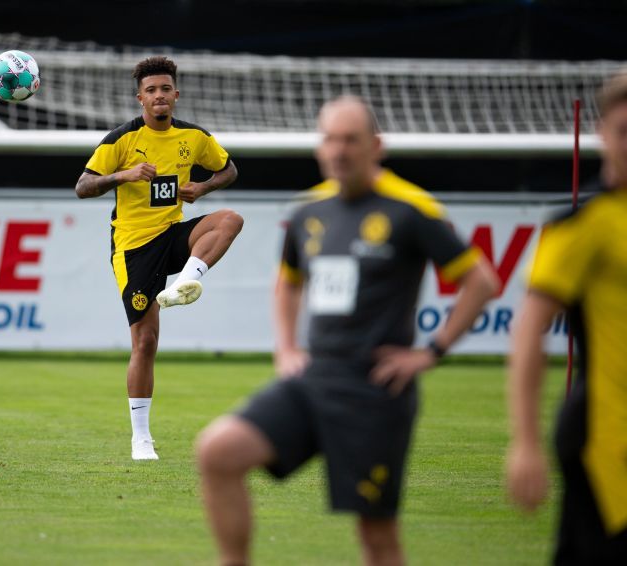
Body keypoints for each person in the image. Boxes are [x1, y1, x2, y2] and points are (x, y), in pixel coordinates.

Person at [196, 95, 500, 565]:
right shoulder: (308, 211)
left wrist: (431, 352)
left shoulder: (410, 209)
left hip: (375, 393)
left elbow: (481, 283)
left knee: (377, 539)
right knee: (217, 452)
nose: (339, 150)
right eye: (330, 139)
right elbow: (287, 283)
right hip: (315, 380)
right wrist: (287, 347)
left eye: (350, 140)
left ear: (376, 146)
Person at [75, 56, 242, 461]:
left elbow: (230, 170)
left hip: (172, 234)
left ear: (176, 95)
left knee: (230, 219)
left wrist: (202, 189)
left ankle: (188, 278)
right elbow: (82, 186)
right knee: (146, 342)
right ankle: (141, 438)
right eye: (151, 90)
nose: (159, 96)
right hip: (134, 248)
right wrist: (123, 176)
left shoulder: (194, 136)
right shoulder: (121, 140)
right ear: (140, 99)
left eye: (165, 89)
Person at [507, 73, 627, 563]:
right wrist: (526, 443)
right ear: (602, 134)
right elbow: (529, 329)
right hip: (606, 439)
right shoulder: (581, 224)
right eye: (624, 131)